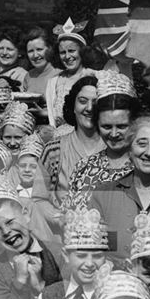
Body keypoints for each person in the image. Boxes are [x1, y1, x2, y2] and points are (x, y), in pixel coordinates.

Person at [90, 114, 150, 259]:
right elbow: (92, 253)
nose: (149, 153)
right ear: (129, 150)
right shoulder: (104, 195)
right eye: (142, 144)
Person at [66, 70, 140, 211]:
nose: (113, 134)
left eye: (121, 126)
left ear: (135, 122)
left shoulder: (147, 166)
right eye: (106, 126)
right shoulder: (84, 167)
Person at [40, 75, 102, 208]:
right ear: (73, 106)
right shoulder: (53, 150)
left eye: (96, 102)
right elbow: (39, 200)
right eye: (83, 101)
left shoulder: (115, 149)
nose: (90, 108)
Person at [44, 18, 95, 129]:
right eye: (63, 52)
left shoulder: (93, 76)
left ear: (82, 51)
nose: (67, 57)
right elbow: (52, 119)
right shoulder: (53, 82)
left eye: (71, 51)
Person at [22, 26, 61, 98]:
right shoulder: (29, 76)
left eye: (39, 49)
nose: (35, 55)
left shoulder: (59, 75)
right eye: (30, 51)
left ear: (49, 49)